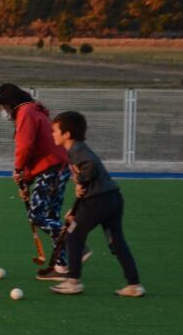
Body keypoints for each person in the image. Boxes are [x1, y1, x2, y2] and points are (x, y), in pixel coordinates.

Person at [48, 111, 145, 297]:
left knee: (73, 235)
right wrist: (76, 206)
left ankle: (72, 281)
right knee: (117, 243)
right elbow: (87, 181)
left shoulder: (77, 150)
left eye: (55, 131)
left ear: (67, 134)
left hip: (98, 201)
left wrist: (82, 181)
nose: (53, 134)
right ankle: (134, 284)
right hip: (113, 199)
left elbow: (90, 167)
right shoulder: (78, 149)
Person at [0, 83, 72, 275]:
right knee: (51, 216)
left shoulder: (26, 113)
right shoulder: (33, 110)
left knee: (37, 215)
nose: (2, 112)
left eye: (1, 107)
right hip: (57, 167)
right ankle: (61, 266)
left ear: (8, 103)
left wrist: (18, 170)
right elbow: (36, 148)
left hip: (51, 168)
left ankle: (75, 243)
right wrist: (25, 179)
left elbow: (24, 147)